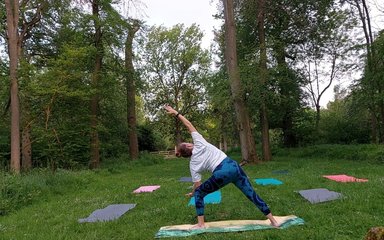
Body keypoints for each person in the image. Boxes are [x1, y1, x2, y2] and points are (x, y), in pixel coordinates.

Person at [164, 105, 279, 229]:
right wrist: (175, 113)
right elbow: (188, 124)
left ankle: (201, 224)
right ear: (189, 146)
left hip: (222, 173)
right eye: (187, 142)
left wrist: (193, 193)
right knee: (251, 194)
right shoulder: (199, 142)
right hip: (234, 166)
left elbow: (197, 185)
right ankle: (273, 221)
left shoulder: (193, 164)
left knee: (199, 194)